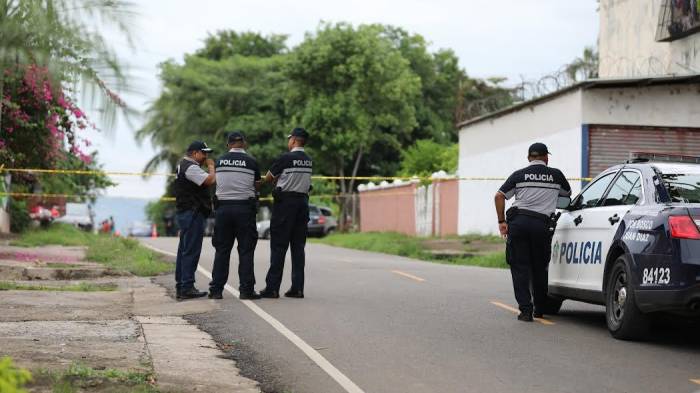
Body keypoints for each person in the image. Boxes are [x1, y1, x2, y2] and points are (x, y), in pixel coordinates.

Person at [494, 142, 571, 322]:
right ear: (546, 157)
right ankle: (540, 309)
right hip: (541, 226)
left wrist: (501, 221)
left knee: (520, 267)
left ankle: (526, 311)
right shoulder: (556, 175)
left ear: (529, 157)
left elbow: (499, 196)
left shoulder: (519, 175)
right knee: (539, 268)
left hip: (519, 223)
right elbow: (566, 196)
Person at [260, 127, 313, 299]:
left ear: (294, 140)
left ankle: (272, 288)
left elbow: (268, 178)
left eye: (289, 139)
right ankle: (297, 288)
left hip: (285, 205)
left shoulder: (285, 158)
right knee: (298, 248)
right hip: (302, 204)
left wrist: (274, 180)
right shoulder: (308, 160)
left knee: (279, 246)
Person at [208, 131, 262, 300]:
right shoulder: (252, 162)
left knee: (222, 250)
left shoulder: (219, 161)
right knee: (246, 251)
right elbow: (257, 185)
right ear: (244, 143)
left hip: (223, 210)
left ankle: (216, 290)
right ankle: (246, 290)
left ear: (228, 144)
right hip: (244, 209)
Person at [174, 141, 216, 300]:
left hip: (187, 212)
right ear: (194, 153)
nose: (206, 156)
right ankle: (187, 286)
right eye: (204, 153)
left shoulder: (184, 165)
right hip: (192, 213)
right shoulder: (190, 167)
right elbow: (210, 180)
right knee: (191, 251)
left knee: (184, 251)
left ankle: (182, 286)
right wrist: (212, 167)